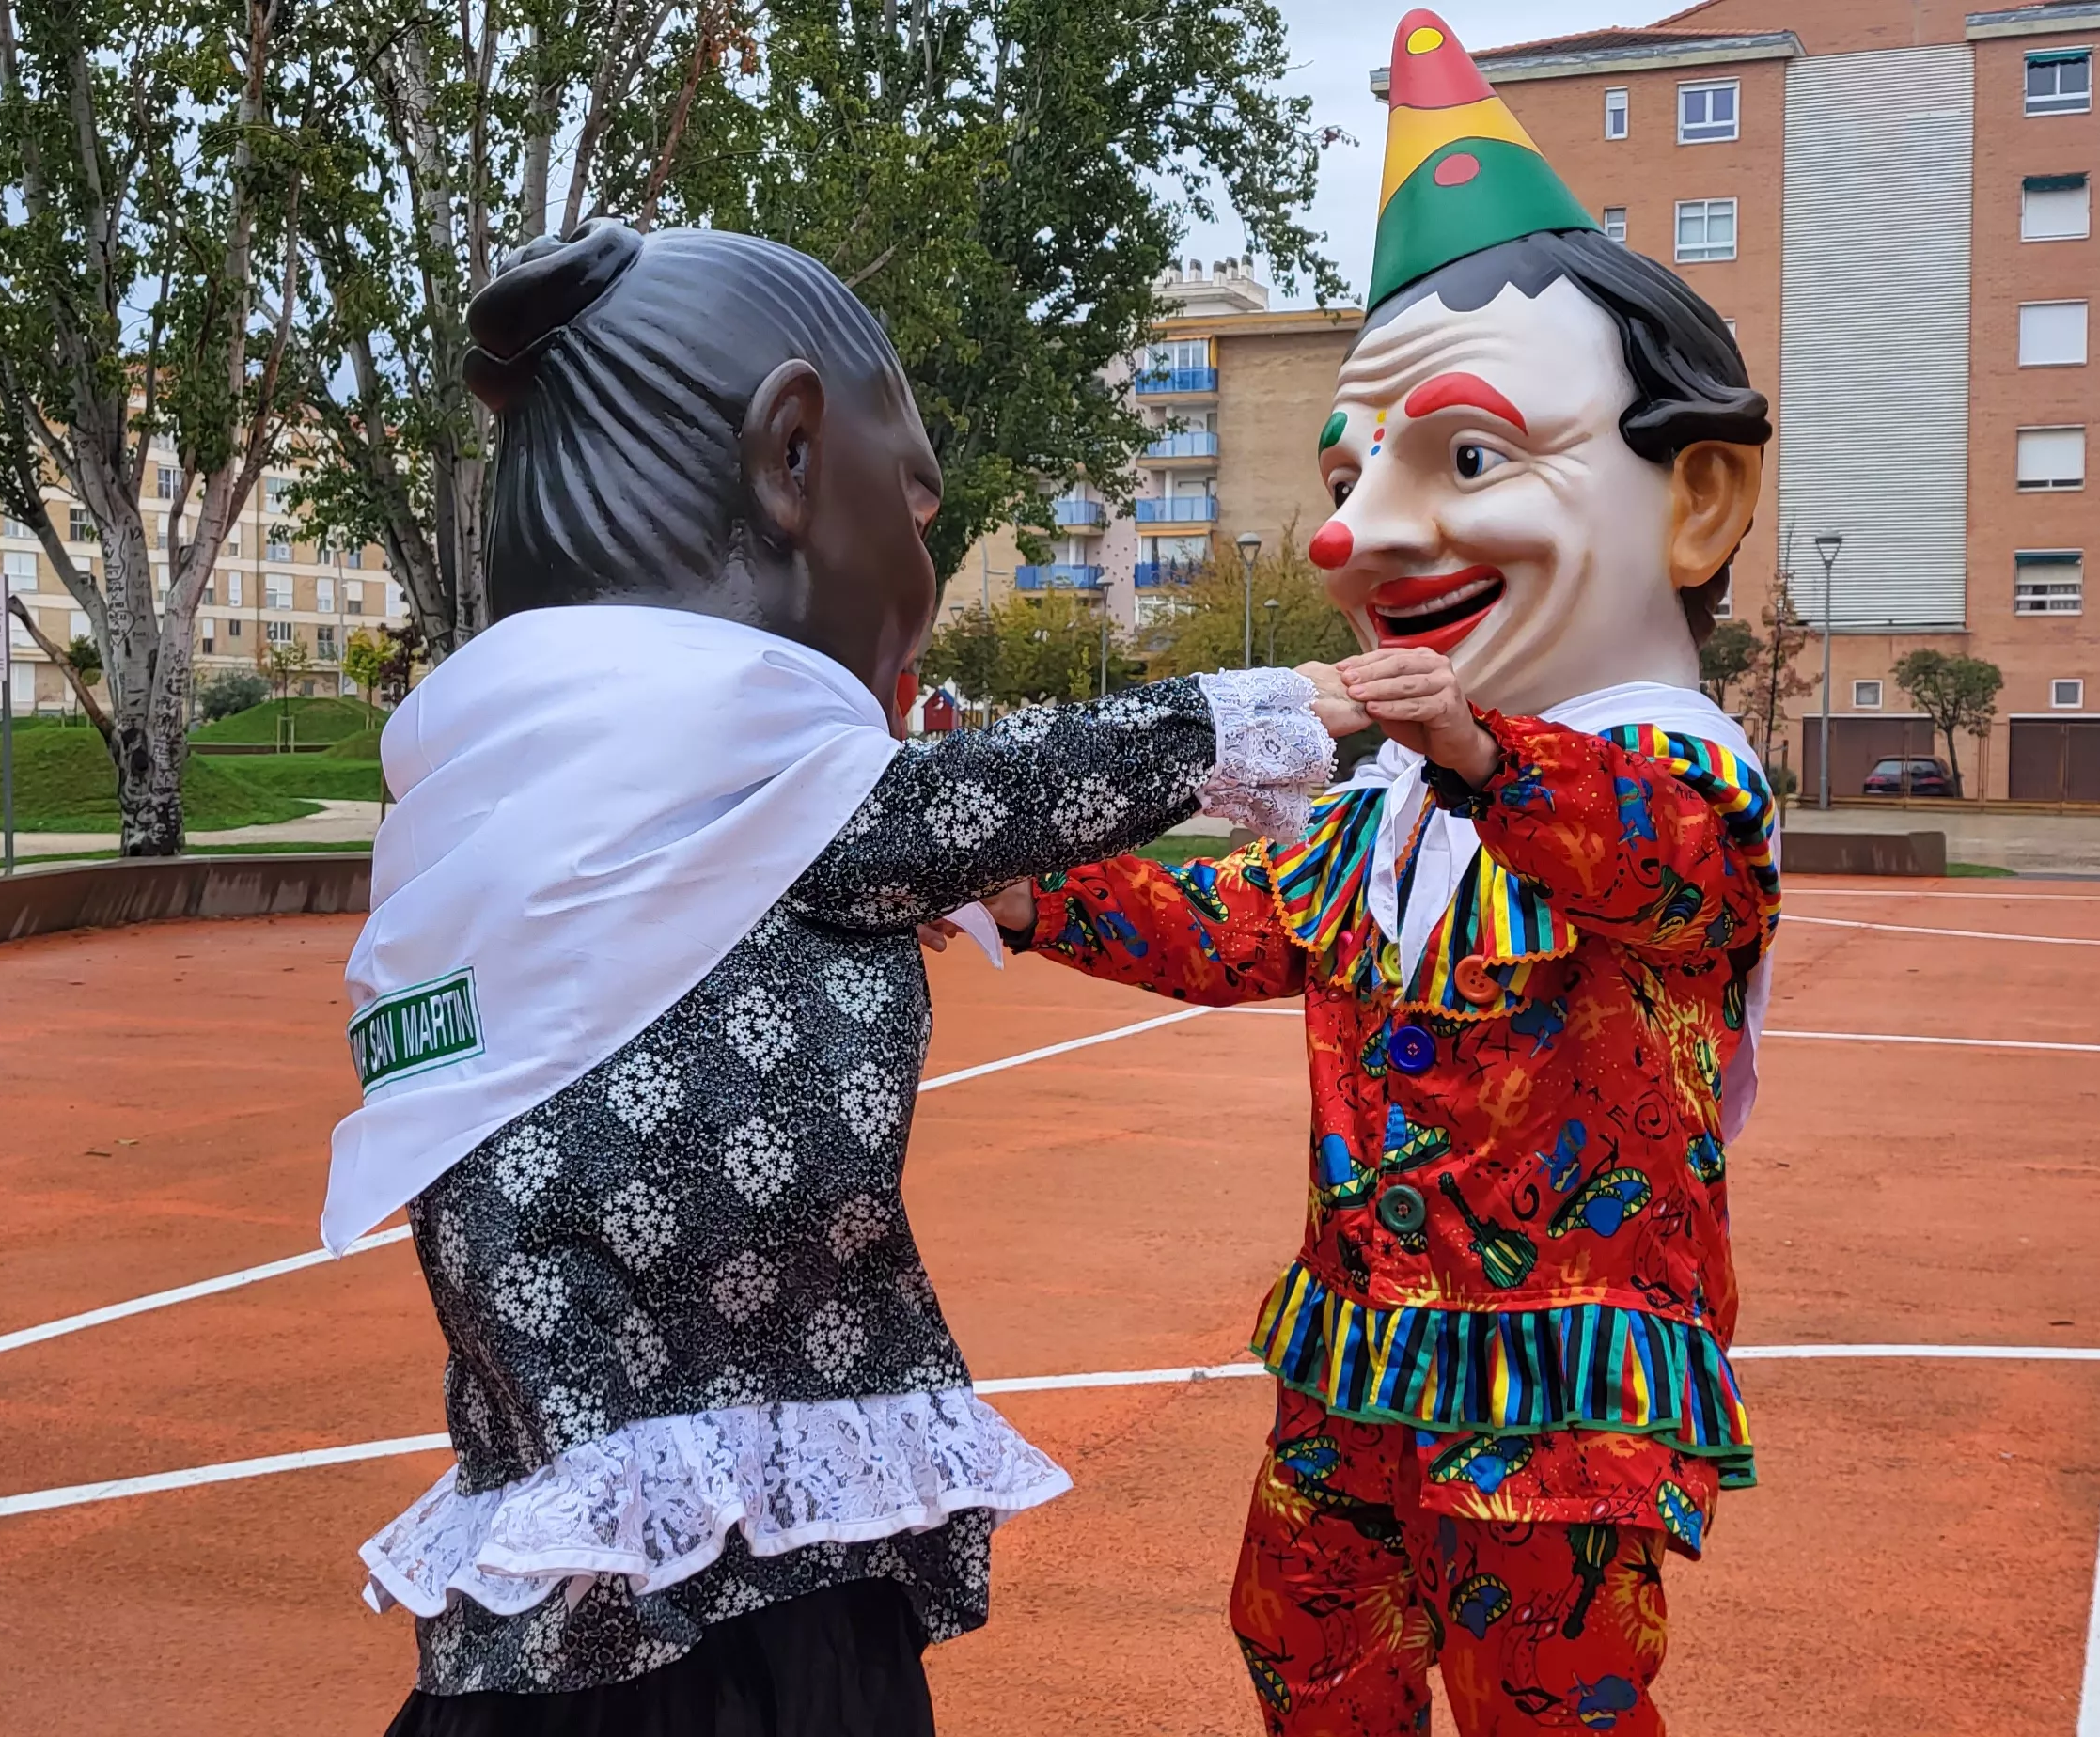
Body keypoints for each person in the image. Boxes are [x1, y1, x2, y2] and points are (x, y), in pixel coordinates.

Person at [324, 218, 1353, 1734]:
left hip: (566, 1528)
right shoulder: (745, 762)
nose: (920, 565)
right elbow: (989, 791)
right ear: (790, 458)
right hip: (745, 1579)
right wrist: (1271, 707)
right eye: (916, 506)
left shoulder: (493, 807)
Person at [984, 15, 1781, 1732]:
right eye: (1347, 476)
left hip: (1561, 1370)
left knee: (1547, 1694)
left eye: (1465, 459)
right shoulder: (1402, 802)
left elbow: (1670, 875)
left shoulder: (1677, 766)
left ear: (1700, 499)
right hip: (1360, 1350)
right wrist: (1023, 889)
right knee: (1300, 1638)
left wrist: (1486, 754)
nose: (1350, 535)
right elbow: (1241, 918)